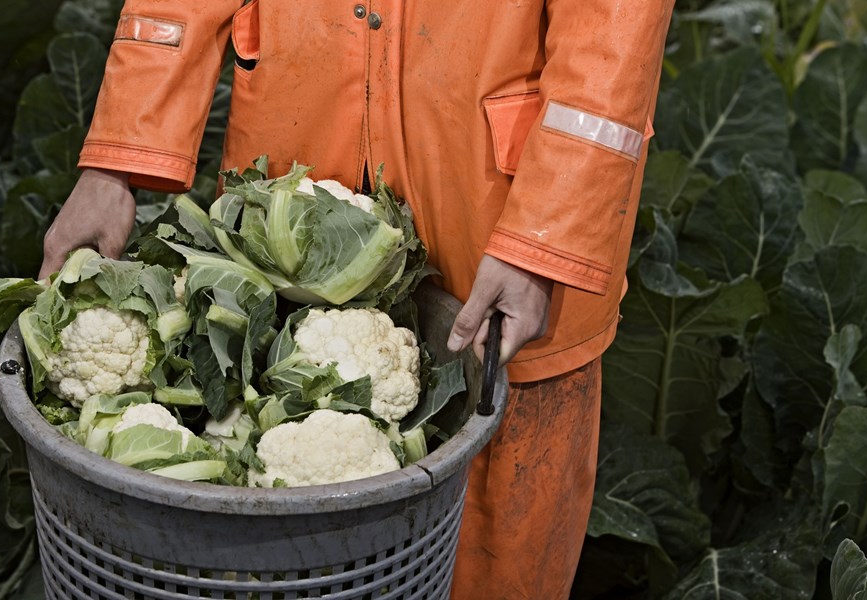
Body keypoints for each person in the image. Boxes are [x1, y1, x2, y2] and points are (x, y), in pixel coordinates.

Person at [39, 2, 674, 598]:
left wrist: (546, 237)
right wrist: (114, 163)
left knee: (495, 544)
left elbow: (614, 35)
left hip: (499, 211)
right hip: (289, 210)